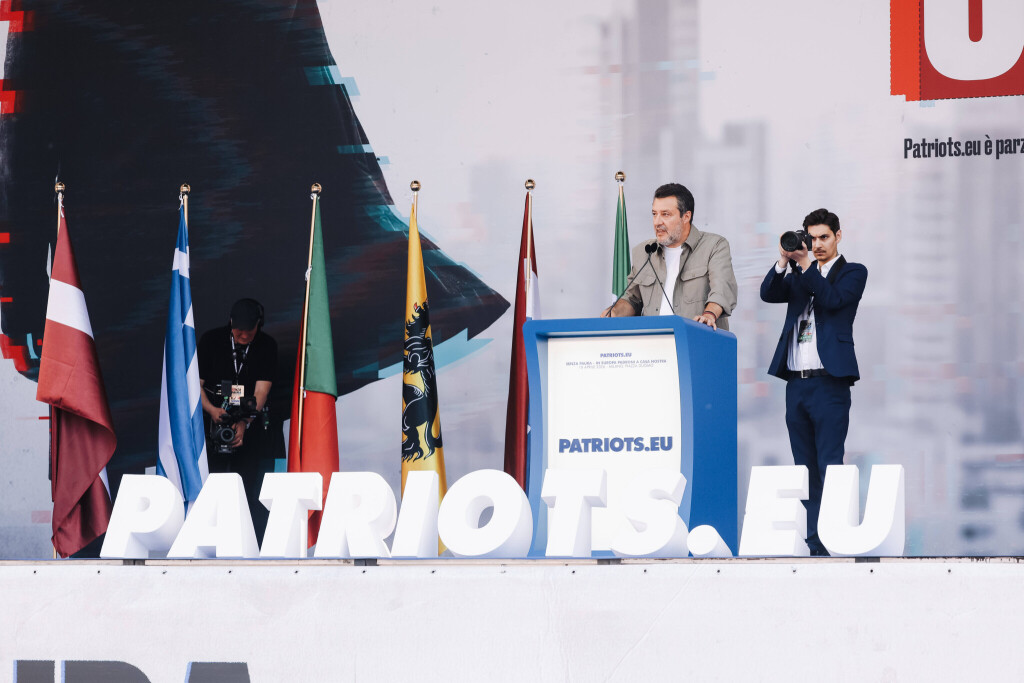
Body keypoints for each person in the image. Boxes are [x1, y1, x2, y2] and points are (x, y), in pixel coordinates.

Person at [760, 208, 868, 556]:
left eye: (824, 237)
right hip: (797, 385)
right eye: (812, 238)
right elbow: (768, 293)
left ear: (839, 235)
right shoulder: (798, 273)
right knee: (804, 469)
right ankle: (815, 543)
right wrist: (783, 260)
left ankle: (837, 537)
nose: (817, 244)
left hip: (830, 384)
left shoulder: (852, 272)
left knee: (830, 464)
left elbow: (833, 301)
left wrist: (805, 265)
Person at [198, 298, 281, 541]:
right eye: (238, 330)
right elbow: (195, 385)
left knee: (246, 485)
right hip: (211, 421)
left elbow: (261, 392)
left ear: (259, 324)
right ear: (230, 323)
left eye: (250, 330)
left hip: (249, 425)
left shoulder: (267, 346)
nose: (244, 335)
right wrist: (212, 411)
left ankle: (242, 539)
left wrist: (245, 422)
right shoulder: (211, 340)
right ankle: (207, 536)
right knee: (210, 484)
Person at [603, 183, 737, 330]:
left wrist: (709, 315)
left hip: (697, 341)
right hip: (652, 345)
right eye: (654, 214)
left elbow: (722, 290)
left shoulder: (714, 246)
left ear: (686, 216)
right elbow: (632, 300)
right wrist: (614, 312)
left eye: (665, 214)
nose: (657, 222)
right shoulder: (644, 251)